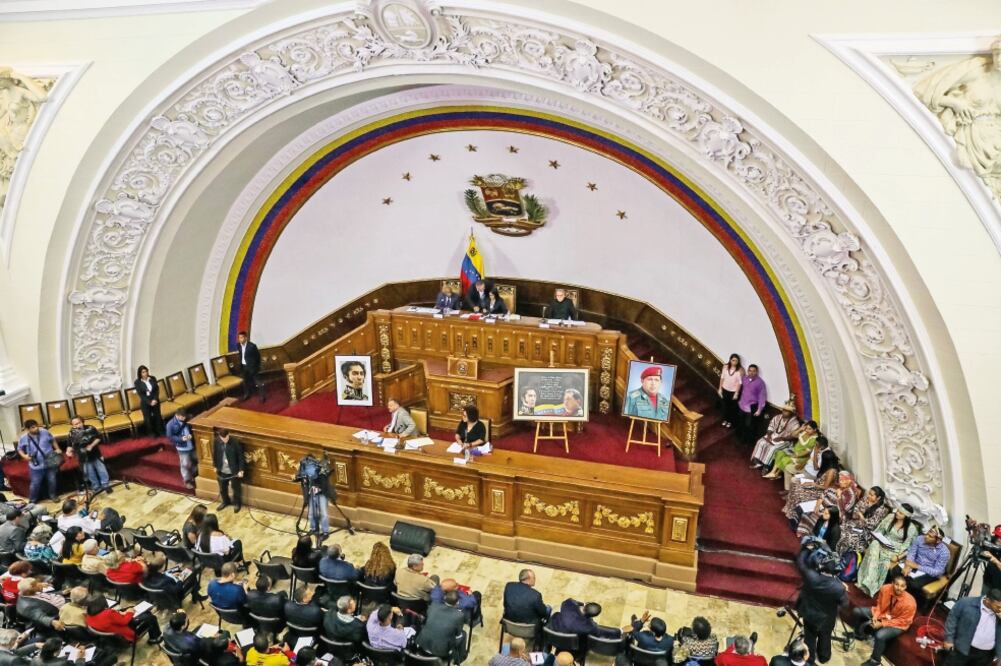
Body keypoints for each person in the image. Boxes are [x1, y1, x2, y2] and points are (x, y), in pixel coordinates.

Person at [795, 540, 847, 664]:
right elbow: (844, 604)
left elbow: (801, 563)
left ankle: (810, 659)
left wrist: (806, 549)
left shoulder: (811, 577)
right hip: (827, 618)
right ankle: (824, 657)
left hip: (810, 614)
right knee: (825, 636)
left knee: (810, 637)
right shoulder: (839, 587)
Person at [851, 575, 916, 666]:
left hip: (898, 623)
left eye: (902, 586)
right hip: (883, 614)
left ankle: (875, 660)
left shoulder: (910, 603)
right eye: (897, 584)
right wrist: (875, 616)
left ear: (905, 587)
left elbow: (903, 621)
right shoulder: (885, 588)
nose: (899, 588)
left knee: (880, 635)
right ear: (892, 583)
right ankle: (859, 635)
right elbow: (880, 605)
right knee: (857, 611)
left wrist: (882, 624)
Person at [856, 504, 920, 596]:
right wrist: (878, 538)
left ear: (906, 516)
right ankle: (868, 582)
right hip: (882, 542)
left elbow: (910, 547)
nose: (897, 513)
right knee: (874, 545)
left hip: (895, 551)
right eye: (897, 510)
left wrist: (898, 557)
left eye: (900, 513)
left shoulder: (911, 528)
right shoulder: (890, 517)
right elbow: (879, 530)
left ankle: (868, 583)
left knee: (881, 559)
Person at [888, 525, 951, 598]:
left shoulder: (944, 552)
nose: (926, 536)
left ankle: (905, 601)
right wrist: (908, 565)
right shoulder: (919, 539)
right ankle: (891, 594)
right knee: (896, 570)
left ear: (938, 540)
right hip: (913, 564)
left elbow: (937, 571)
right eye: (927, 534)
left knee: (913, 584)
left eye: (930, 536)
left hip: (928, 571)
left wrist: (917, 566)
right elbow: (912, 552)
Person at [942, 589, 1001, 665]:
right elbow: (952, 618)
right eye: (998, 606)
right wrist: (948, 639)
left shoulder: (999, 612)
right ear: (988, 600)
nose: (1000, 609)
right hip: (962, 649)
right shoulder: (966, 603)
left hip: (985, 656)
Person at [795, 470, 859, 538]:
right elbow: (823, 495)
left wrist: (839, 497)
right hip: (826, 507)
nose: (841, 482)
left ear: (848, 481)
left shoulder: (851, 494)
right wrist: (817, 505)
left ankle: (808, 533)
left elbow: (844, 510)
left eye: (843, 480)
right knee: (807, 513)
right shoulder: (838, 488)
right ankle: (804, 531)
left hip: (837, 514)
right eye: (840, 480)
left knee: (815, 515)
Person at [416, 589, 467, 663]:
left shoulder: (433, 605)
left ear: (444, 598)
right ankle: (459, 659)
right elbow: (458, 635)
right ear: (457, 602)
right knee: (464, 634)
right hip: (440, 651)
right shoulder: (459, 615)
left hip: (422, 643)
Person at [836, 486, 890, 556]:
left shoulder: (882, 509)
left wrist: (861, 515)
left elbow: (872, 524)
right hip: (856, 523)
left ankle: (846, 557)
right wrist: (860, 515)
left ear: (878, 498)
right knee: (843, 529)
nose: (868, 496)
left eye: (871, 495)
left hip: (867, 531)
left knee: (849, 536)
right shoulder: (865, 499)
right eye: (869, 493)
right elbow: (855, 510)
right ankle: (839, 554)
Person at [85, 595, 162, 643]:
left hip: (113, 636)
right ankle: (155, 639)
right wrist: (129, 613)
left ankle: (146, 613)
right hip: (126, 636)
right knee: (151, 618)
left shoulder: (89, 615)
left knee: (133, 610)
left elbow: (110, 620)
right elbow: (124, 622)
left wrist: (119, 613)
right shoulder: (108, 613)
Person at [17, 420, 60, 503]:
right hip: (36, 466)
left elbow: (52, 440)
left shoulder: (45, 432)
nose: (36, 428)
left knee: (52, 480)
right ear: (27, 429)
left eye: (37, 426)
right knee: (35, 484)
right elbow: (19, 449)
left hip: (50, 462)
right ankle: (32, 500)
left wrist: (57, 448)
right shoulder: (23, 438)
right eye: (33, 427)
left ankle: (53, 495)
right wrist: (24, 456)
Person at [750, 398, 800, 468]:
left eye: (786, 411)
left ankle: (766, 467)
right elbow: (771, 426)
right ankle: (758, 463)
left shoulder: (795, 423)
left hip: (786, 441)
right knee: (761, 442)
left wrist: (782, 438)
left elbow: (793, 436)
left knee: (772, 448)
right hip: (773, 436)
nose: (784, 412)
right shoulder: (777, 417)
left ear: (791, 413)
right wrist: (769, 435)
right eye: (783, 410)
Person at [66, 416, 111, 494]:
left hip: (95, 454)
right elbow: (70, 445)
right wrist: (68, 451)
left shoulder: (91, 428)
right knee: (90, 473)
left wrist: (91, 445)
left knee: (102, 470)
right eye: (75, 424)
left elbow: (98, 438)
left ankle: (106, 485)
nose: (77, 425)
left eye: (78, 423)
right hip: (83, 457)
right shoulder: (71, 433)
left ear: (82, 421)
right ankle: (96, 487)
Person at [548, 598, 622, 639]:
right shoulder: (589, 627)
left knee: (556, 607)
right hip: (569, 640)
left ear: (586, 605)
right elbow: (601, 631)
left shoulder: (569, 604)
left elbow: (572, 602)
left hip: (553, 626)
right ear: (592, 616)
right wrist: (620, 631)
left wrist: (583, 604)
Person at [212, 428, 244, 512]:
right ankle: (225, 501)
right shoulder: (217, 441)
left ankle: (237, 503)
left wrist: (241, 470)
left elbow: (241, 457)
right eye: (223, 439)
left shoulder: (235, 442)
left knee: (236, 487)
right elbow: (215, 453)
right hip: (222, 469)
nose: (225, 440)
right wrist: (215, 465)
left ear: (228, 435)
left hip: (233, 470)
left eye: (226, 438)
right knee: (222, 488)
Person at [735, 364, 767, 444]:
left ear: (757, 372)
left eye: (753, 371)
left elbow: (762, 397)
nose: (751, 372)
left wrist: (759, 410)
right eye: (750, 370)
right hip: (741, 405)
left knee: (748, 426)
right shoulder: (744, 378)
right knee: (740, 423)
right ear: (747, 371)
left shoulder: (760, 383)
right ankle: (740, 439)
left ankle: (747, 442)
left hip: (751, 408)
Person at [166, 409, 197, 490]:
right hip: (182, 447)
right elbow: (170, 437)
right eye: (182, 417)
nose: (184, 418)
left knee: (195, 460)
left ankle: (195, 477)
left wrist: (191, 435)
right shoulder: (170, 424)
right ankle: (187, 480)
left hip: (192, 444)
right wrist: (181, 439)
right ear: (177, 415)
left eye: (184, 416)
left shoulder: (188, 418)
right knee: (185, 464)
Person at [134, 365, 165, 437]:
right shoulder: (137, 382)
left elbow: (156, 390)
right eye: (143, 372)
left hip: (155, 400)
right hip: (145, 403)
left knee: (158, 416)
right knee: (147, 419)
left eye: (146, 371)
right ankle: (151, 433)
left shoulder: (153, 378)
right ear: (140, 373)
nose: (145, 373)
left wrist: (155, 399)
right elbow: (141, 395)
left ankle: (160, 431)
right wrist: (149, 402)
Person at [718, 353, 744, 429]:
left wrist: (736, 393)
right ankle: (725, 420)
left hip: (733, 392)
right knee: (725, 406)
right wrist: (720, 388)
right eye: (733, 360)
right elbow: (722, 378)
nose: (734, 362)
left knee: (731, 408)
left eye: (736, 361)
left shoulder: (739, 371)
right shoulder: (725, 367)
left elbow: (739, 383)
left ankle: (729, 421)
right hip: (725, 389)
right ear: (730, 360)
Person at [237, 331, 264, 402]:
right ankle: (247, 394)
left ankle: (262, 396)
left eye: (242, 337)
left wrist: (256, 367)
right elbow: (241, 355)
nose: (240, 339)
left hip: (252, 367)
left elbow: (258, 357)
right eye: (239, 338)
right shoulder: (238, 345)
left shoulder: (252, 346)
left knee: (258, 382)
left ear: (246, 338)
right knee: (245, 382)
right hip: (244, 367)